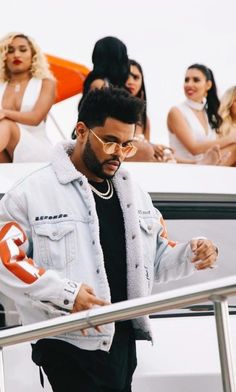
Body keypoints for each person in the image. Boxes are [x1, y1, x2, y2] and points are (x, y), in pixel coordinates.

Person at [0, 87, 218, 391]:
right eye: (111, 142)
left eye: (128, 144)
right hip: (68, 341)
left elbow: (154, 260)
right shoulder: (29, 194)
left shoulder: (135, 194)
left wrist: (192, 253)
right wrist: (67, 294)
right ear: (81, 131)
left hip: (123, 342)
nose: (119, 153)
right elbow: (6, 261)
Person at [0, 32, 56, 163]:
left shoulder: (46, 82)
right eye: (10, 50)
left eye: (23, 50)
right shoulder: (1, 86)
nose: (16, 55)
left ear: (33, 54)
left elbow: (35, 118)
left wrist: (4, 113)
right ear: (4, 56)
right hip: (5, 150)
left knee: (6, 125)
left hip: (36, 148)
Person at [167, 63, 236, 166]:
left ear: (208, 85)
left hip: (208, 169)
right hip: (187, 168)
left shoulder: (210, 115)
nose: (189, 84)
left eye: (196, 80)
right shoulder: (176, 111)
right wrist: (230, 138)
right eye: (186, 80)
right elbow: (194, 148)